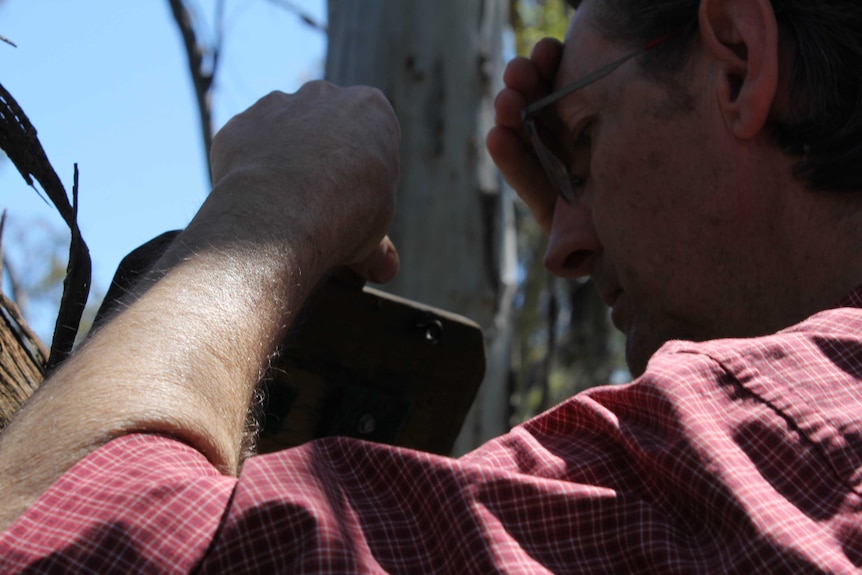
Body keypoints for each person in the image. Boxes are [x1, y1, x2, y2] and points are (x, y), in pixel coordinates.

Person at [1, 0, 860, 571]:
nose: (561, 248)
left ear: (741, 60)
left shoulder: (766, 447)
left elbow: (54, 539)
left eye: (586, 145)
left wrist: (270, 203)